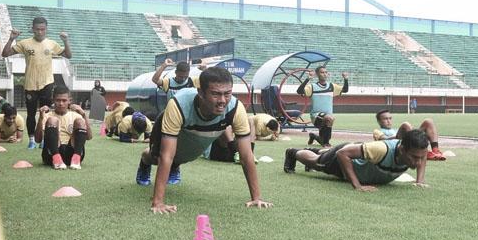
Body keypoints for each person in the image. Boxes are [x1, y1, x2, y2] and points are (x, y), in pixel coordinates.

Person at [135, 66, 272, 213]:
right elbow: (166, 155)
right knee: (158, 157)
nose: (222, 101)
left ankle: (175, 165)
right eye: (215, 94)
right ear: (200, 92)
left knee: (185, 155)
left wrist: (256, 197)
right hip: (173, 127)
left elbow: (246, 155)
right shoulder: (178, 105)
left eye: (227, 94)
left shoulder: (235, 108)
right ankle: (145, 161)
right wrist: (158, 202)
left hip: (195, 141)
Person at [2, 16, 72, 149]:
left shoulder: (52, 44)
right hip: (30, 83)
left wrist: (66, 41)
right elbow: (5, 53)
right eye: (37, 29)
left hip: (47, 83)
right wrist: (11, 38)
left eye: (43, 29)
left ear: (46, 29)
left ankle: (44, 139)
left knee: (45, 112)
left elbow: (68, 55)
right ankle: (32, 140)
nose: (40, 32)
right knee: (31, 113)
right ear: (32, 29)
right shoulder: (25, 43)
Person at [283, 129, 430, 191]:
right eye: (414, 158)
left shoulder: (416, 152)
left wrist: (420, 180)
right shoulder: (382, 149)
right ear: (402, 150)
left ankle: (316, 150)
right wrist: (357, 186)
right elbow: (342, 154)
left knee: (322, 155)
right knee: (316, 162)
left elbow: (422, 158)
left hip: (360, 152)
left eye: (421, 157)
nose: (418, 162)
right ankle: (293, 153)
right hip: (342, 161)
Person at [35, 86, 91, 170]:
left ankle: (76, 159)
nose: (61, 103)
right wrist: (41, 118)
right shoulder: (47, 116)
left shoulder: (75, 115)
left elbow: (89, 137)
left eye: (64, 100)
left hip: (72, 152)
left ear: (70, 101)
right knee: (52, 120)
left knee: (80, 121)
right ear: (53, 100)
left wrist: (84, 115)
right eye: (58, 100)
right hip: (51, 154)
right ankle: (56, 159)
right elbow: (38, 140)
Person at [296, 66, 348, 147]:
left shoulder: (332, 86)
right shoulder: (312, 87)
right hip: (315, 116)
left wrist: (346, 79)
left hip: (327, 118)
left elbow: (345, 90)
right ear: (317, 74)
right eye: (322, 72)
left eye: (326, 72)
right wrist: (308, 78)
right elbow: (299, 91)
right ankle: (326, 143)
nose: (325, 74)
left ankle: (314, 136)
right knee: (329, 119)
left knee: (323, 138)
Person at [372, 109, 445, 160]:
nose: (389, 121)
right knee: (406, 125)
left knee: (428, 122)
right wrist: (402, 135)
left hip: (408, 143)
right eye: (385, 119)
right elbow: (385, 140)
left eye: (390, 118)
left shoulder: (395, 130)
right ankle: (422, 151)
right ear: (379, 121)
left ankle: (435, 151)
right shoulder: (377, 131)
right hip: (397, 149)